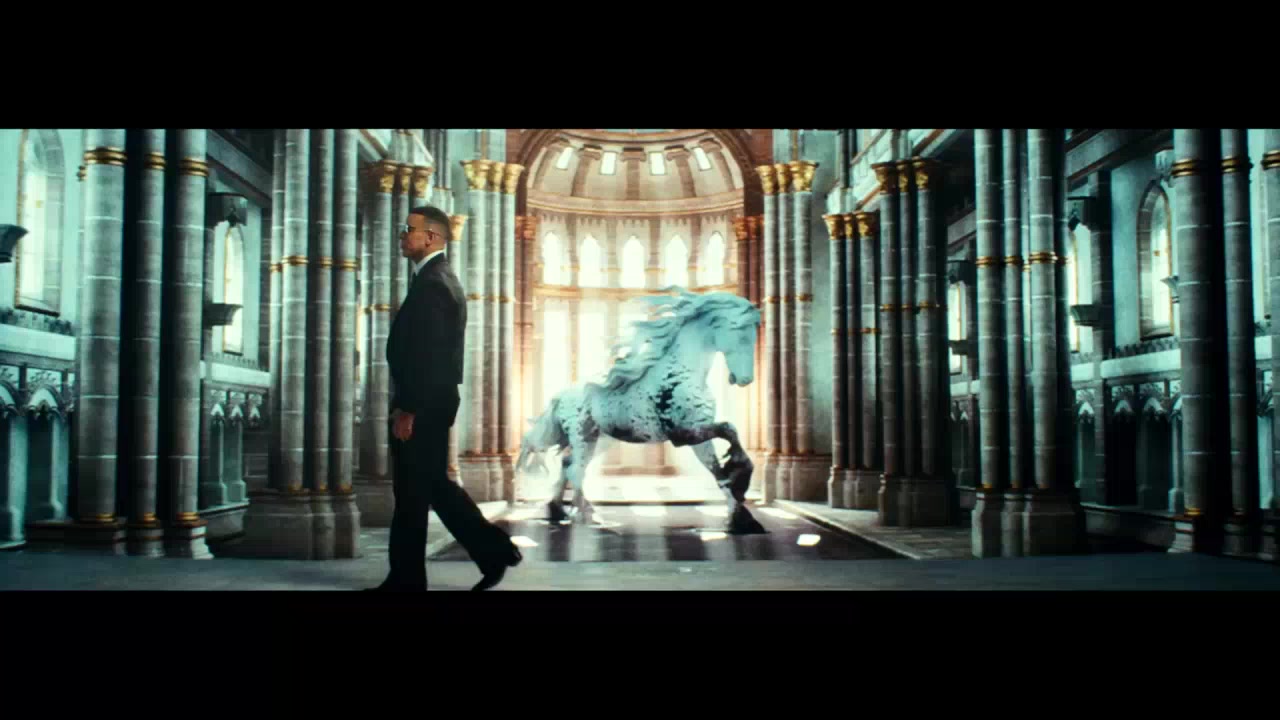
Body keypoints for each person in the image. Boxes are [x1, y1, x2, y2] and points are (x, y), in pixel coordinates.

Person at [369, 204, 522, 592]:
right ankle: (492, 552)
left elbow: (431, 355)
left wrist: (409, 408)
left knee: (412, 492)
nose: (403, 235)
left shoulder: (435, 284)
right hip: (431, 402)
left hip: (423, 404)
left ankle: (408, 581)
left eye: (410, 229)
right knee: (431, 486)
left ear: (432, 237)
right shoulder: (434, 278)